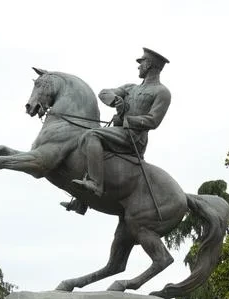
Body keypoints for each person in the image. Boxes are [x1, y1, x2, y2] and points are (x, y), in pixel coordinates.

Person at [68, 48, 171, 201]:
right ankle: (83, 200)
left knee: (92, 135)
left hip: (134, 137)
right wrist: (115, 100)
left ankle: (96, 184)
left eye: (141, 62)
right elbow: (104, 92)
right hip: (120, 132)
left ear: (149, 65)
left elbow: (154, 120)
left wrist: (126, 121)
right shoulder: (131, 88)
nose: (138, 66)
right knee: (94, 147)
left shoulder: (162, 92)